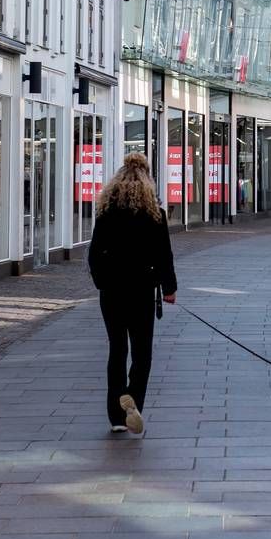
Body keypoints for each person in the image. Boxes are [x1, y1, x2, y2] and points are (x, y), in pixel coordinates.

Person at [87, 152, 177, 435]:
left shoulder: (106, 211)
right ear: (147, 177)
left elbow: (94, 254)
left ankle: (116, 416)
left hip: (112, 291)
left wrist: (102, 281)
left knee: (117, 350)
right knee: (142, 353)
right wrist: (169, 288)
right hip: (141, 290)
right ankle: (133, 401)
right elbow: (164, 255)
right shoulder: (154, 213)